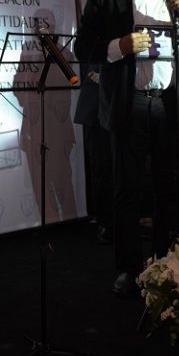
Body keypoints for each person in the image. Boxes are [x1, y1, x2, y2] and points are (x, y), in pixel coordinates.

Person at [74, 0, 179, 298]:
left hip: (168, 104)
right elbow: (82, 47)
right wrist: (120, 46)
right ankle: (129, 268)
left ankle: (166, 263)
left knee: (168, 188)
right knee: (128, 190)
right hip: (130, 103)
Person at [74, 64, 113, 244]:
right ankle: (105, 222)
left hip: (122, 108)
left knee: (122, 170)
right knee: (102, 169)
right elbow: (87, 57)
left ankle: (123, 221)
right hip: (96, 109)